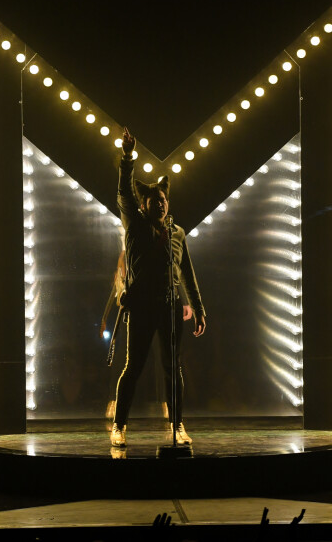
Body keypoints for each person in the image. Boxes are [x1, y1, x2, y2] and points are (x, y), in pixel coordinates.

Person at [111, 127, 206, 447]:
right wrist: (127, 157)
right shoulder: (135, 226)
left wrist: (199, 308)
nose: (161, 205)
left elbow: (187, 272)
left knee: (172, 368)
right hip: (140, 308)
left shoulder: (177, 233)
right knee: (133, 367)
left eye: (164, 200)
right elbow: (124, 190)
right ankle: (119, 426)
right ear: (146, 203)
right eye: (155, 201)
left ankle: (178, 425)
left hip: (168, 307)